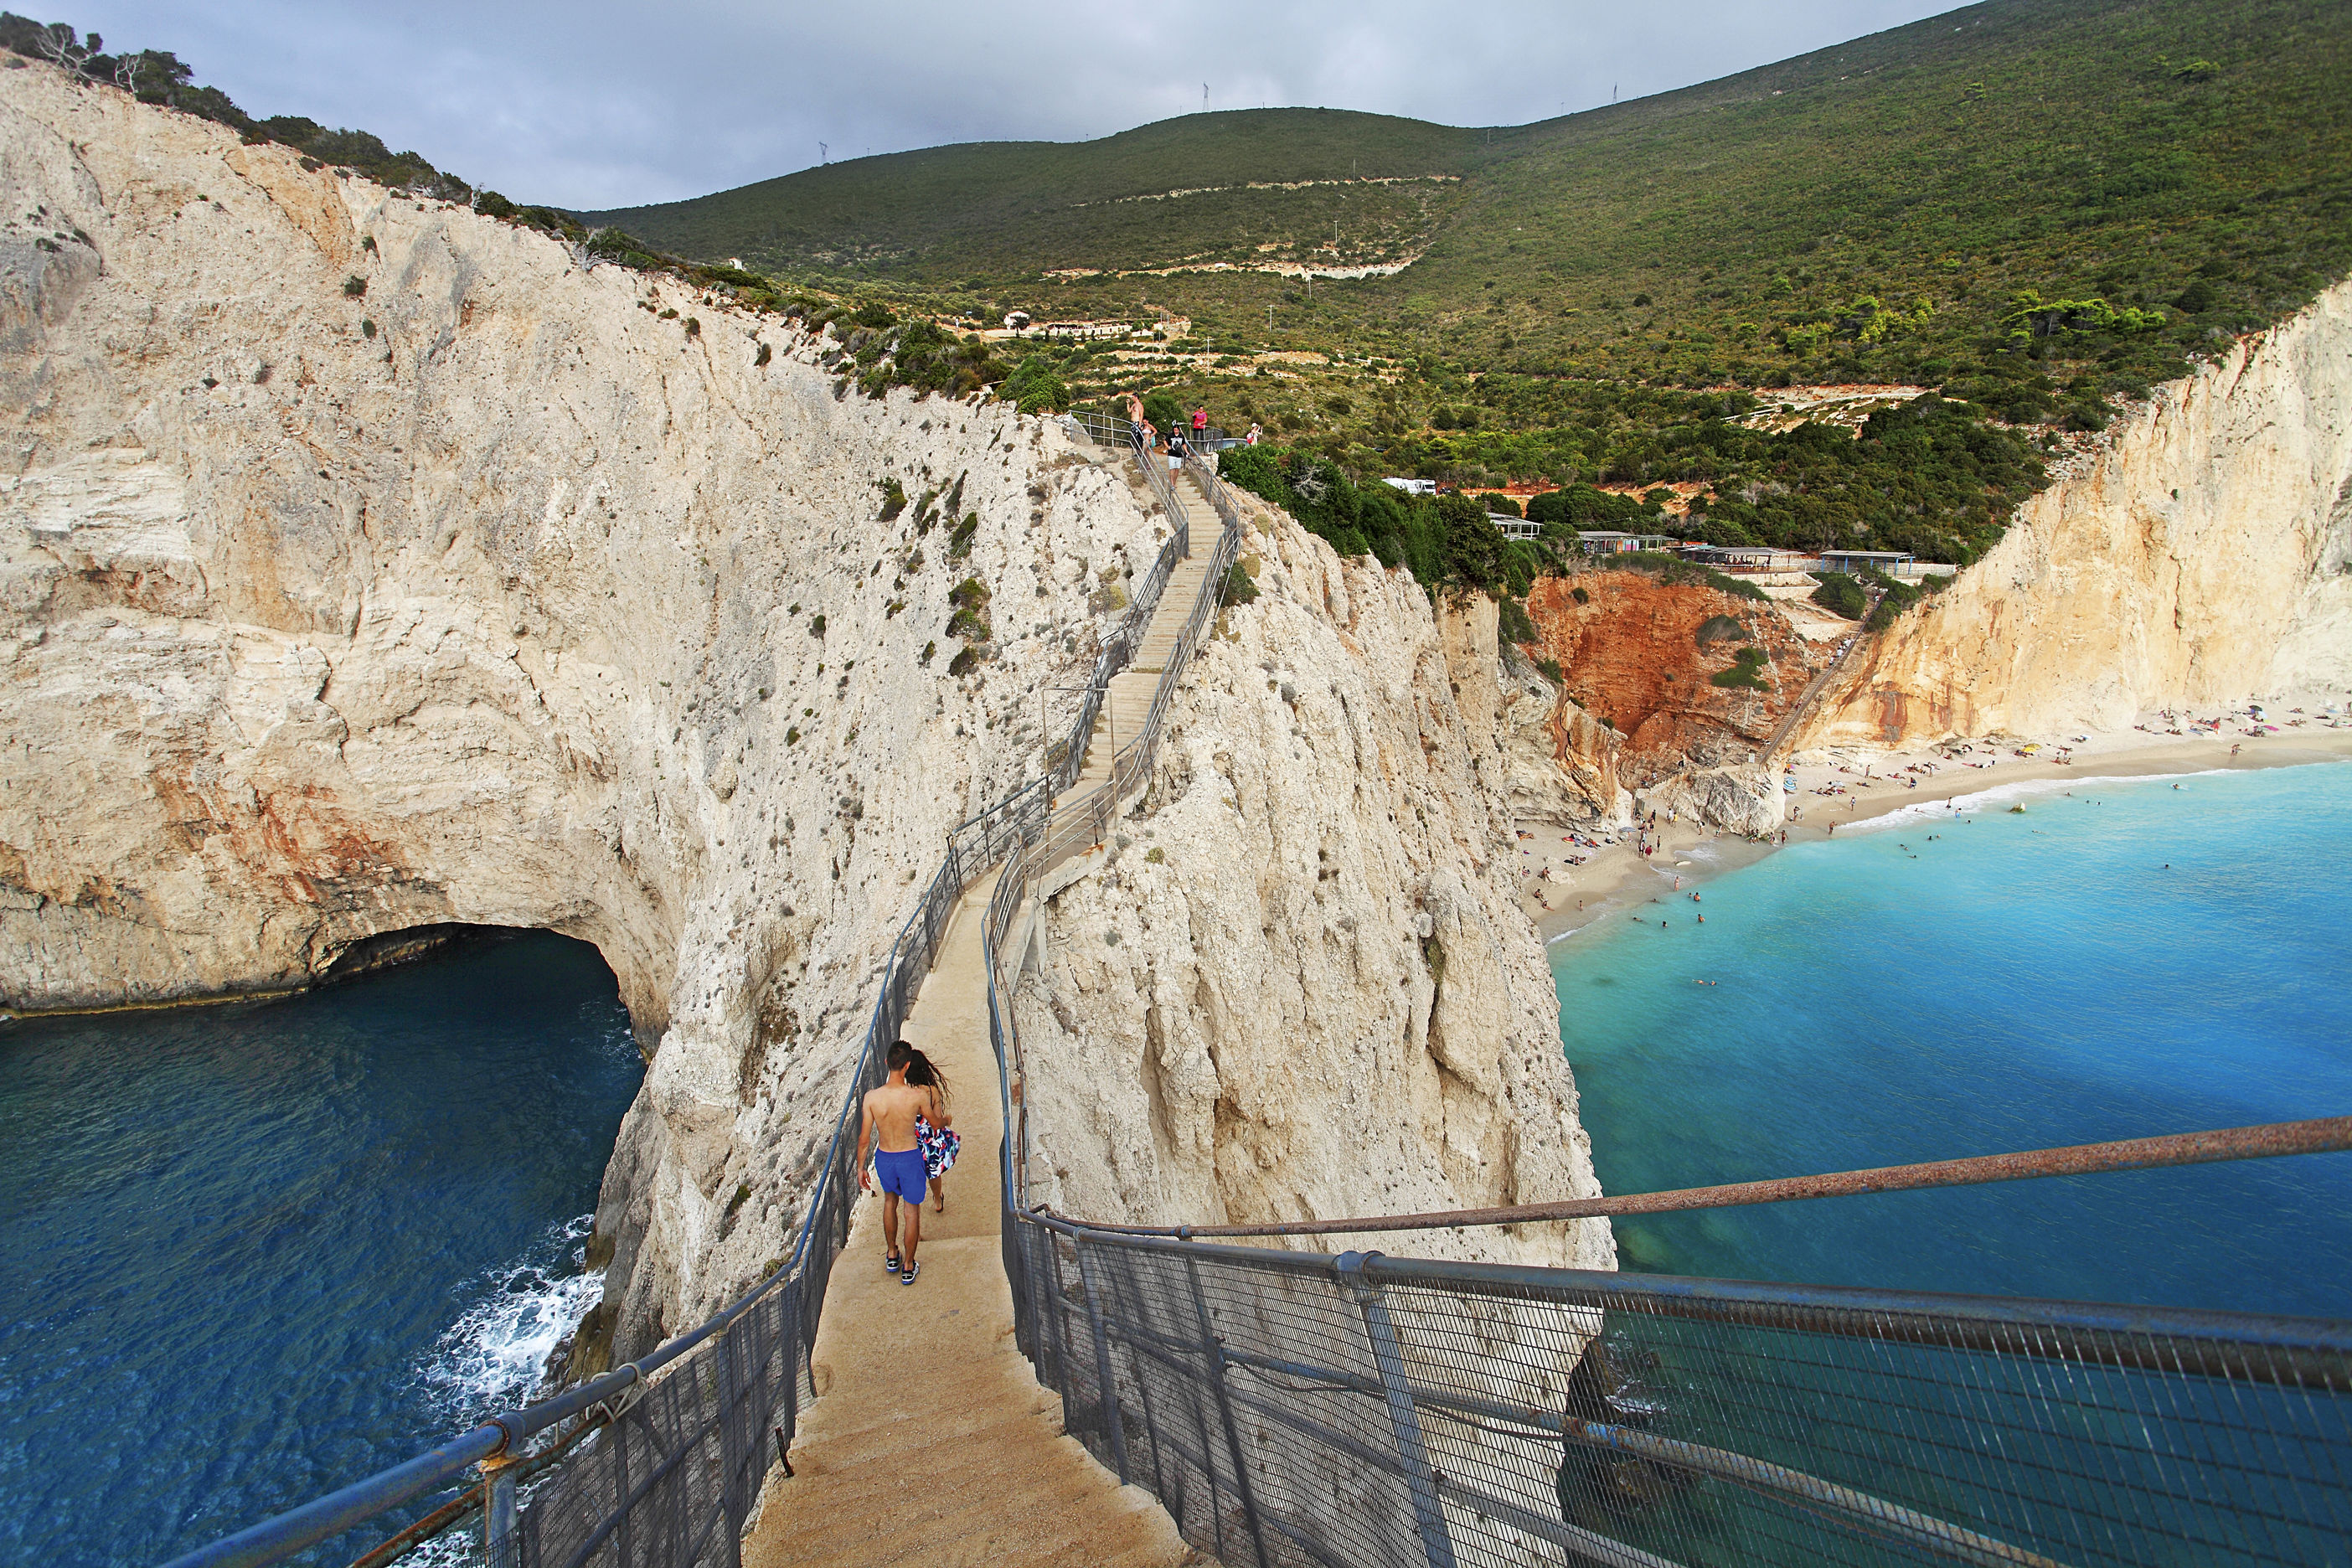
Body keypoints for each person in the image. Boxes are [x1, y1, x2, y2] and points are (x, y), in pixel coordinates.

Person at [858, 1040, 934, 1284]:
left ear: (886, 1063)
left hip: (885, 1157)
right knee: (911, 1211)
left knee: (890, 1202)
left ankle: (892, 1254)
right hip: (909, 1157)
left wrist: (860, 1168)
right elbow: (934, 1122)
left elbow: (864, 1139)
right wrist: (945, 1121)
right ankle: (909, 1266)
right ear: (908, 1066)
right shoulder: (917, 1096)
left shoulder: (871, 1098)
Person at [903, 1047, 960, 1214]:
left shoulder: (904, 1092)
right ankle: (937, 1200)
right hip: (929, 1142)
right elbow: (937, 1121)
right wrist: (947, 1120)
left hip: (910, 1140)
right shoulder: (932, 1092)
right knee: (934, 1173)